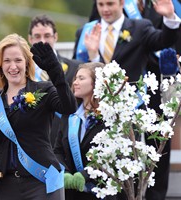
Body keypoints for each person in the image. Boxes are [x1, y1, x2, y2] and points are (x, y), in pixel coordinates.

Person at [72, 0, 180, 199]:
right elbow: (78, 74)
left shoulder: (140, 27)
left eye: (110, 3)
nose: (105, 9)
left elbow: (164, 40)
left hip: (134, 109)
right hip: (100, 113)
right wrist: (93, 54)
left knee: (134, 166)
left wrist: (170, 18)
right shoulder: (86, 32)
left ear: (122, 2)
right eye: (101, 4)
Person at [0, 33, 77, 200]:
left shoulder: (44, 90)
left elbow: (69, 107)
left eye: (18, 60)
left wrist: (56, 73)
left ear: (27, 62)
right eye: (7, 61)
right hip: (7, 185)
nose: (13, 66)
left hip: (42, 181)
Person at [54, 62, 108, 200]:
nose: (75, 82)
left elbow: (110, 155)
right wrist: (64, 172)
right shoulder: (70, 114)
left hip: (102, 191)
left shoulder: (109, 117)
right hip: (72, 191)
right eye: (75, 78)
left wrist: (85, 175)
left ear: (97, 83)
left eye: (81, 78)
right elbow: (58, 150)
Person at [28, 14, 82, 147]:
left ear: (55, 37)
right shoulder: (22, 71)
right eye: (37, 36)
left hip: (67, 137)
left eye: (47, 36)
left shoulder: (74, 67)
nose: (42, 41)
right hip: (35, 138)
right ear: (30, 38)